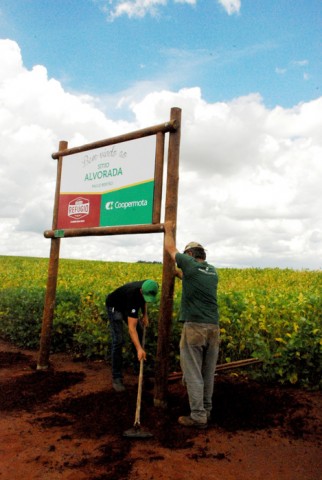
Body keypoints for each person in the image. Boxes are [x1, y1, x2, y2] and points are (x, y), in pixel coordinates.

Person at [164, 222, 220, 428]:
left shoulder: (189, 264)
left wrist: (167, 229)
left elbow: (170, 249)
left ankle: (197, 416)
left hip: (195, 327)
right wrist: (177, 274)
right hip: (213, 328)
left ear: (189, 254)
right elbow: (187, 277)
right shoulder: (211, 271)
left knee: (193, 373)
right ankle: (207, 410)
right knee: (207, 373)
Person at [106, 279, 159, 392]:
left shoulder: (149, 286)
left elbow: (143, 300)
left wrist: (145, 315)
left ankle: (137, 367)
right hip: (115, 307)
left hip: (127, 305)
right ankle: (117, 377)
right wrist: (139, 348)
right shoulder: (132, 295)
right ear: (141, 291)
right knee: (118, 340)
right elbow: (131, 328)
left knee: (140, 331)